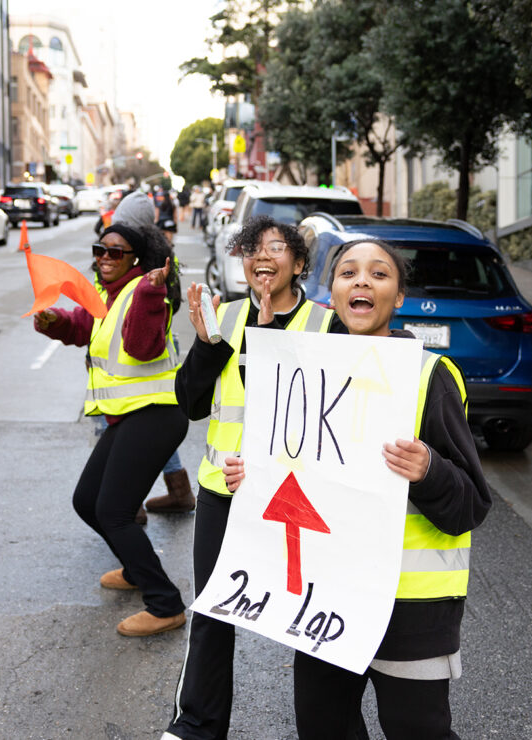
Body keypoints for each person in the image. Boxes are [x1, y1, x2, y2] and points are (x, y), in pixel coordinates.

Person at [222, 238, 492, 739]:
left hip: (410, 610)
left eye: (379, 274)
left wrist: (429, 469)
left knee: (416, 731)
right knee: (324, 728)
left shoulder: (427, 377)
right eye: (348, 272)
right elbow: (292, 473)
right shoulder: (302, 372)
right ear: (332, 294)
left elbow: (470, 506)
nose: (362, 281)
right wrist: (251, 479)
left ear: (399, 297)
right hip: (327, 597)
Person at [163, 215, 335, 740]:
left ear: (299, 265)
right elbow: (190, 404)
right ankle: (197, 725)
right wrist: (207, 343)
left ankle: (329, 728)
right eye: (252, 247)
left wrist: (267, 337)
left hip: (300, 503)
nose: (262, 255)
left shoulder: (325, 326)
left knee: (314, 619)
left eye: (278, 247)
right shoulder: (226, 316)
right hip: (223, 493)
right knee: (213, 613)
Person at [33, 222, 188, 637]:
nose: (104, 258)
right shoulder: (106, 294)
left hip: (156, 414)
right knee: (87, 501)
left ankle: (166, 604)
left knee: (114, 512)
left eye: (115, 252)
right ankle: (139, 570)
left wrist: (153, 293)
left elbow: (141, 346)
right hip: (127, 415)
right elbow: (82, 327)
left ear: (135, 258)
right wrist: (52, 320)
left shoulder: (144, 292)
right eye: (100, 249)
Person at [111, 191, 196, 514]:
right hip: (157, 351)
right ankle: (178, 490)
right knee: (143, 427)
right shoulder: (159, 252)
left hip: (134, 354)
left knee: (120, 427)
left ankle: (127, 503)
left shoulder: (135, 258)